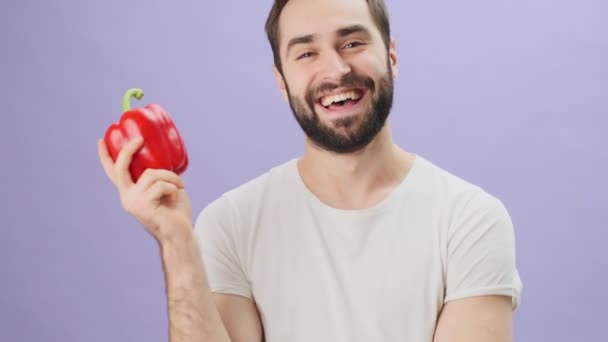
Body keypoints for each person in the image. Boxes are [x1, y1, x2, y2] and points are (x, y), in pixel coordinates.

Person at [97, 0, 523, 341]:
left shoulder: (470, 219)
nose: (336, 70)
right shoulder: (231, 225)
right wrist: (176, 240)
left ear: (391, 56)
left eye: (353, 43)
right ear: (282, 82)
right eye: (306, 53)